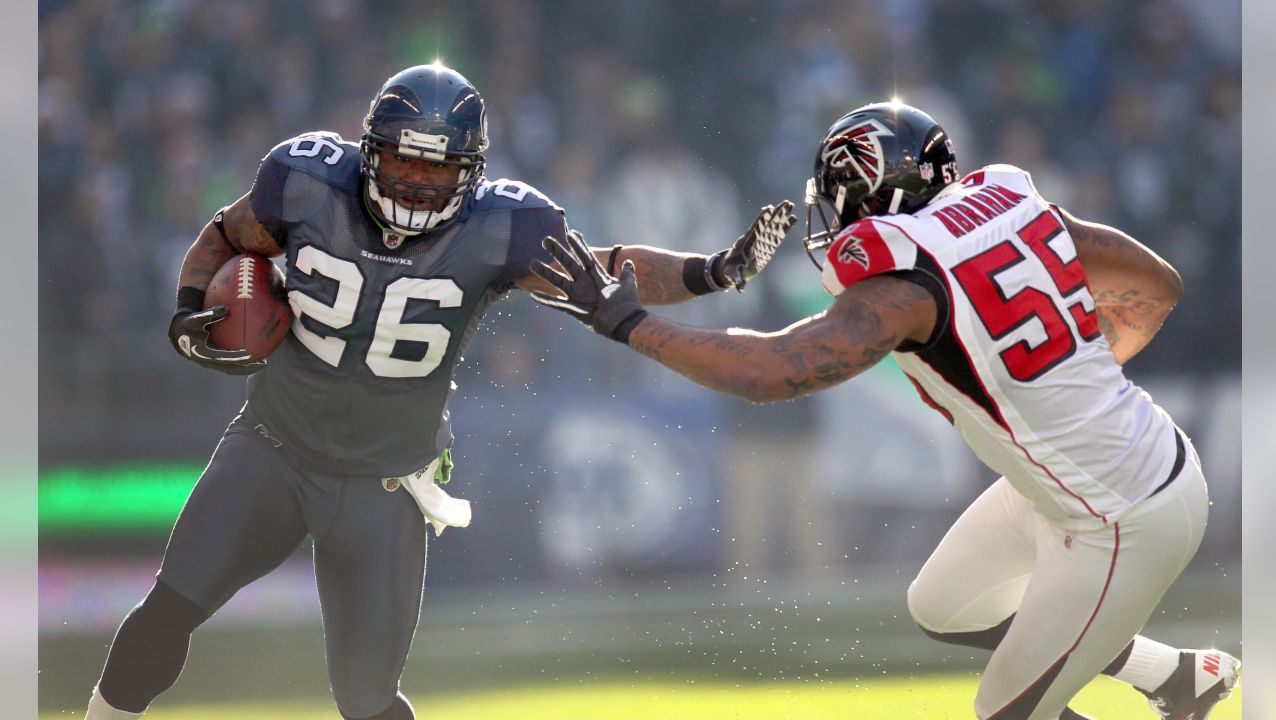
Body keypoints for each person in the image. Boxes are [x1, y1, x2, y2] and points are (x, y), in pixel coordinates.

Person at [83, 63, 796, 720]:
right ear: (367, 150)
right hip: (274, 448)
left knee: (367, 699)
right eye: (402, 160)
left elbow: (608, 267)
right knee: (167, 611)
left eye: (439, 167)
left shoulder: (502, 226)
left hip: (384, 484)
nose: (418, 184)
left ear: (473, 172)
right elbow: (222, 236)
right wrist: (185, 313)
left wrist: (713, 270)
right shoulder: (304, 179)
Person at [530, 101, 1241, 720]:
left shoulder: (906, 283)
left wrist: (632, 325)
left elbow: (773, 373)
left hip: (1122, 512)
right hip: (1096, 476)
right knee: (945, 605)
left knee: (1003, 711)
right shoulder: (1012, 208)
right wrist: (1077, 366)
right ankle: (1179, 679)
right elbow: (1158, 284)